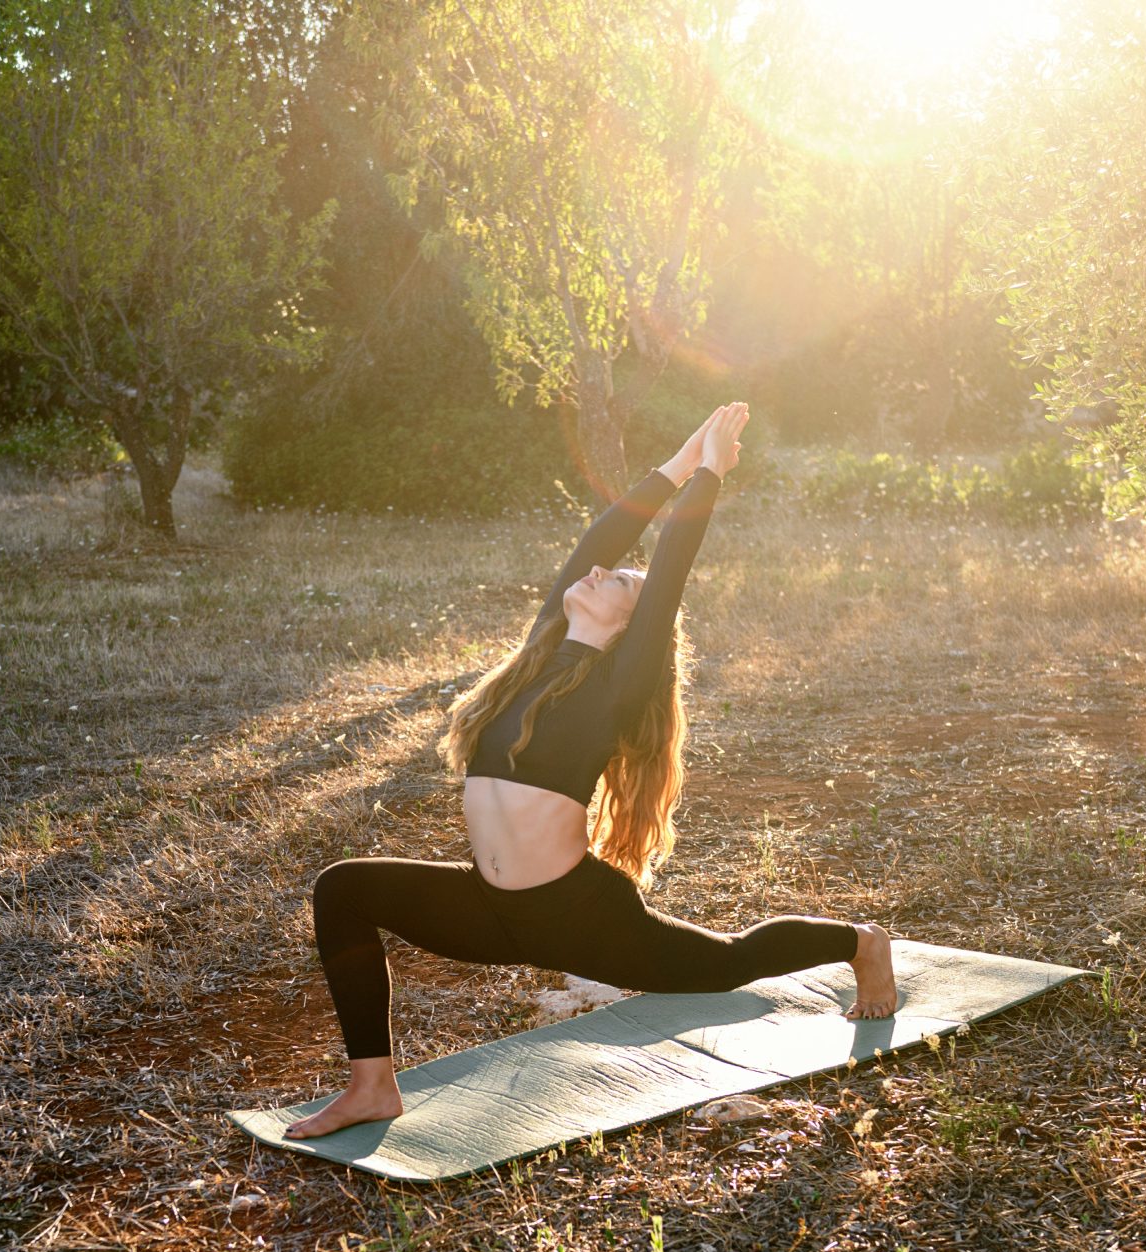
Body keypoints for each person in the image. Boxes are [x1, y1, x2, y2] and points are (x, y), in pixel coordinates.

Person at [285, 402, 897, 1140]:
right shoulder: (541, 653)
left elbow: (671, 565)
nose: (602, 572)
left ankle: (860, 941)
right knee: (343, 888)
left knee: (728, 964)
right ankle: (373, 1085)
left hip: (578, 914)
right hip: (487, 907)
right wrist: (673, 463)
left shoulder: (618, 685)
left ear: (636, 625)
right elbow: (597, 540)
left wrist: (710, 473)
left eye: (621, 583)